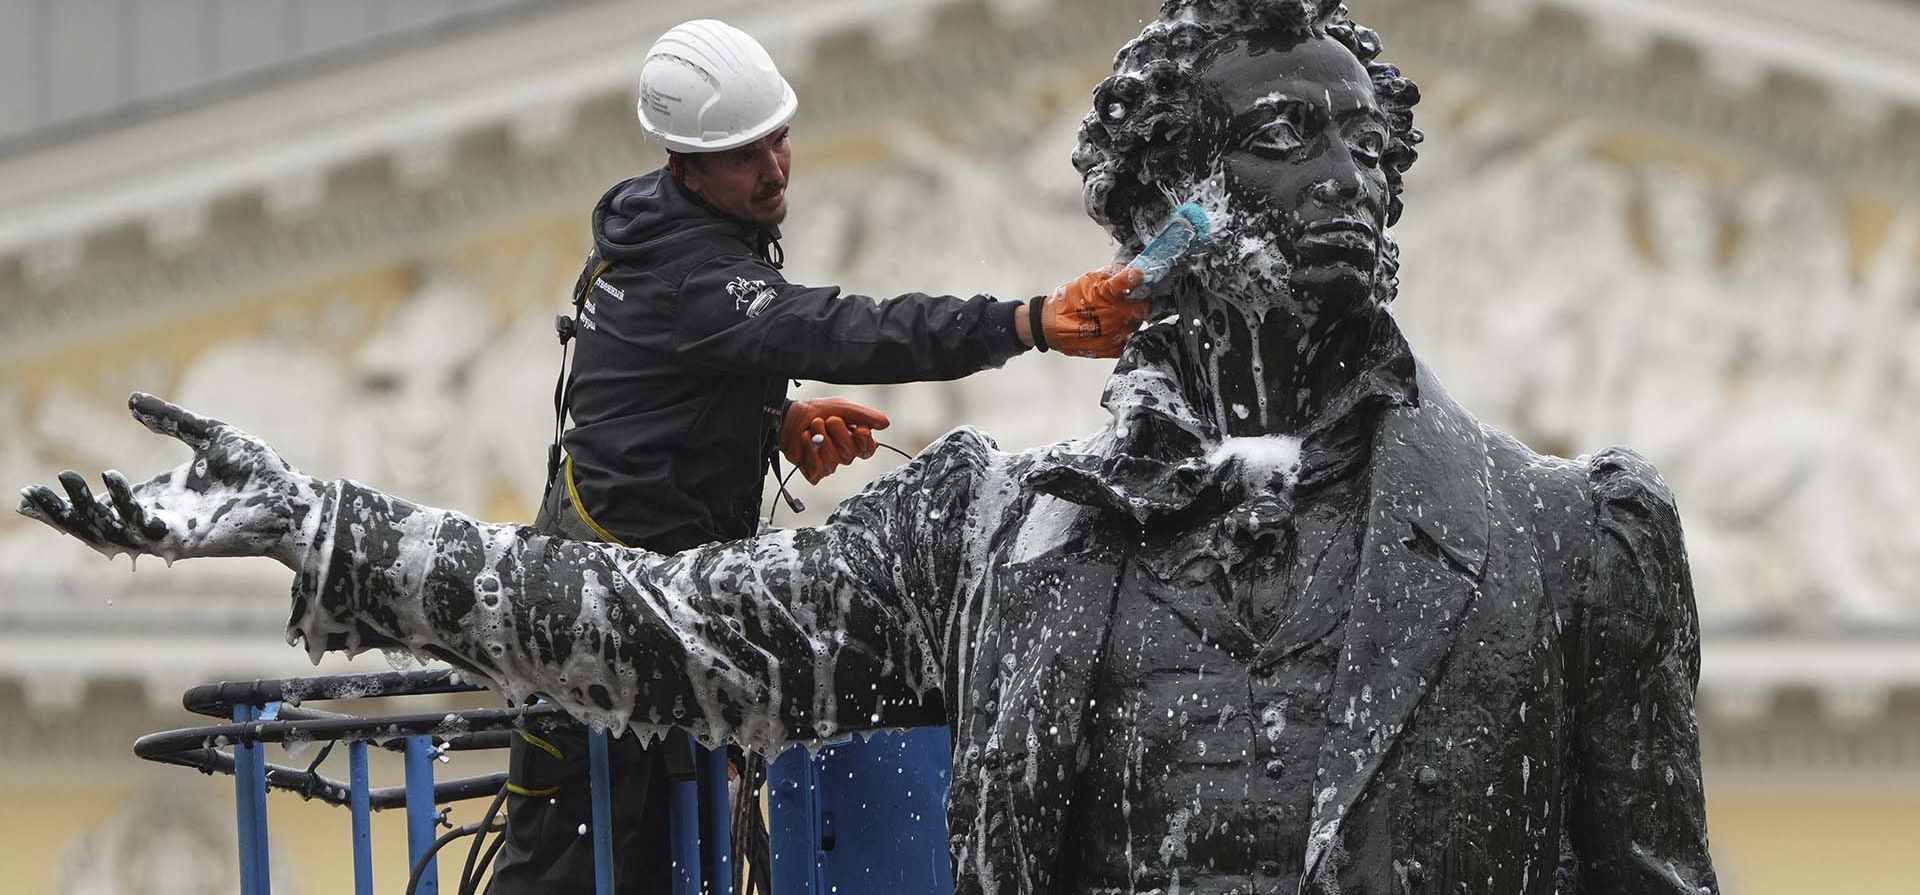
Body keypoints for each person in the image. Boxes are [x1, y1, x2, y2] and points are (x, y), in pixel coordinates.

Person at [19, 2, 1717, 892]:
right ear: (1166, 207)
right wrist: (316, 522)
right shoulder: (986, 543)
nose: (1345, 179)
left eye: (1366, 145)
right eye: (1284, 140)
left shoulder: (1570, 544)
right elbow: (657, 633)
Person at [509, 18, 1148, 894]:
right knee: (582, 876)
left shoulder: (659, 230)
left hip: (634, 610)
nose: (774, 169)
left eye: (779, 139)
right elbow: (845, 330)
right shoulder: (693, 271)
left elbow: (640, 395)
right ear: (687, 165)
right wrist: (1029, 322)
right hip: (607, 631)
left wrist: (768, 421)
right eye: (745, 156)